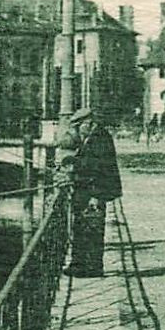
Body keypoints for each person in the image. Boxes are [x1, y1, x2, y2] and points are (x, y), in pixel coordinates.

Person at [63, 106, 122, 278]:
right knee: (82, 228)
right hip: (87, 190)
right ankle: (78, 264)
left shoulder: (99, 138)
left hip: (94, 192)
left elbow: (97, 168)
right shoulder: (94, 137)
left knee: (91, 230)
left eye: (78, 127)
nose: (77, 131)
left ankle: (91, 267)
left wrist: (74, 164)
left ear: (87, 123)